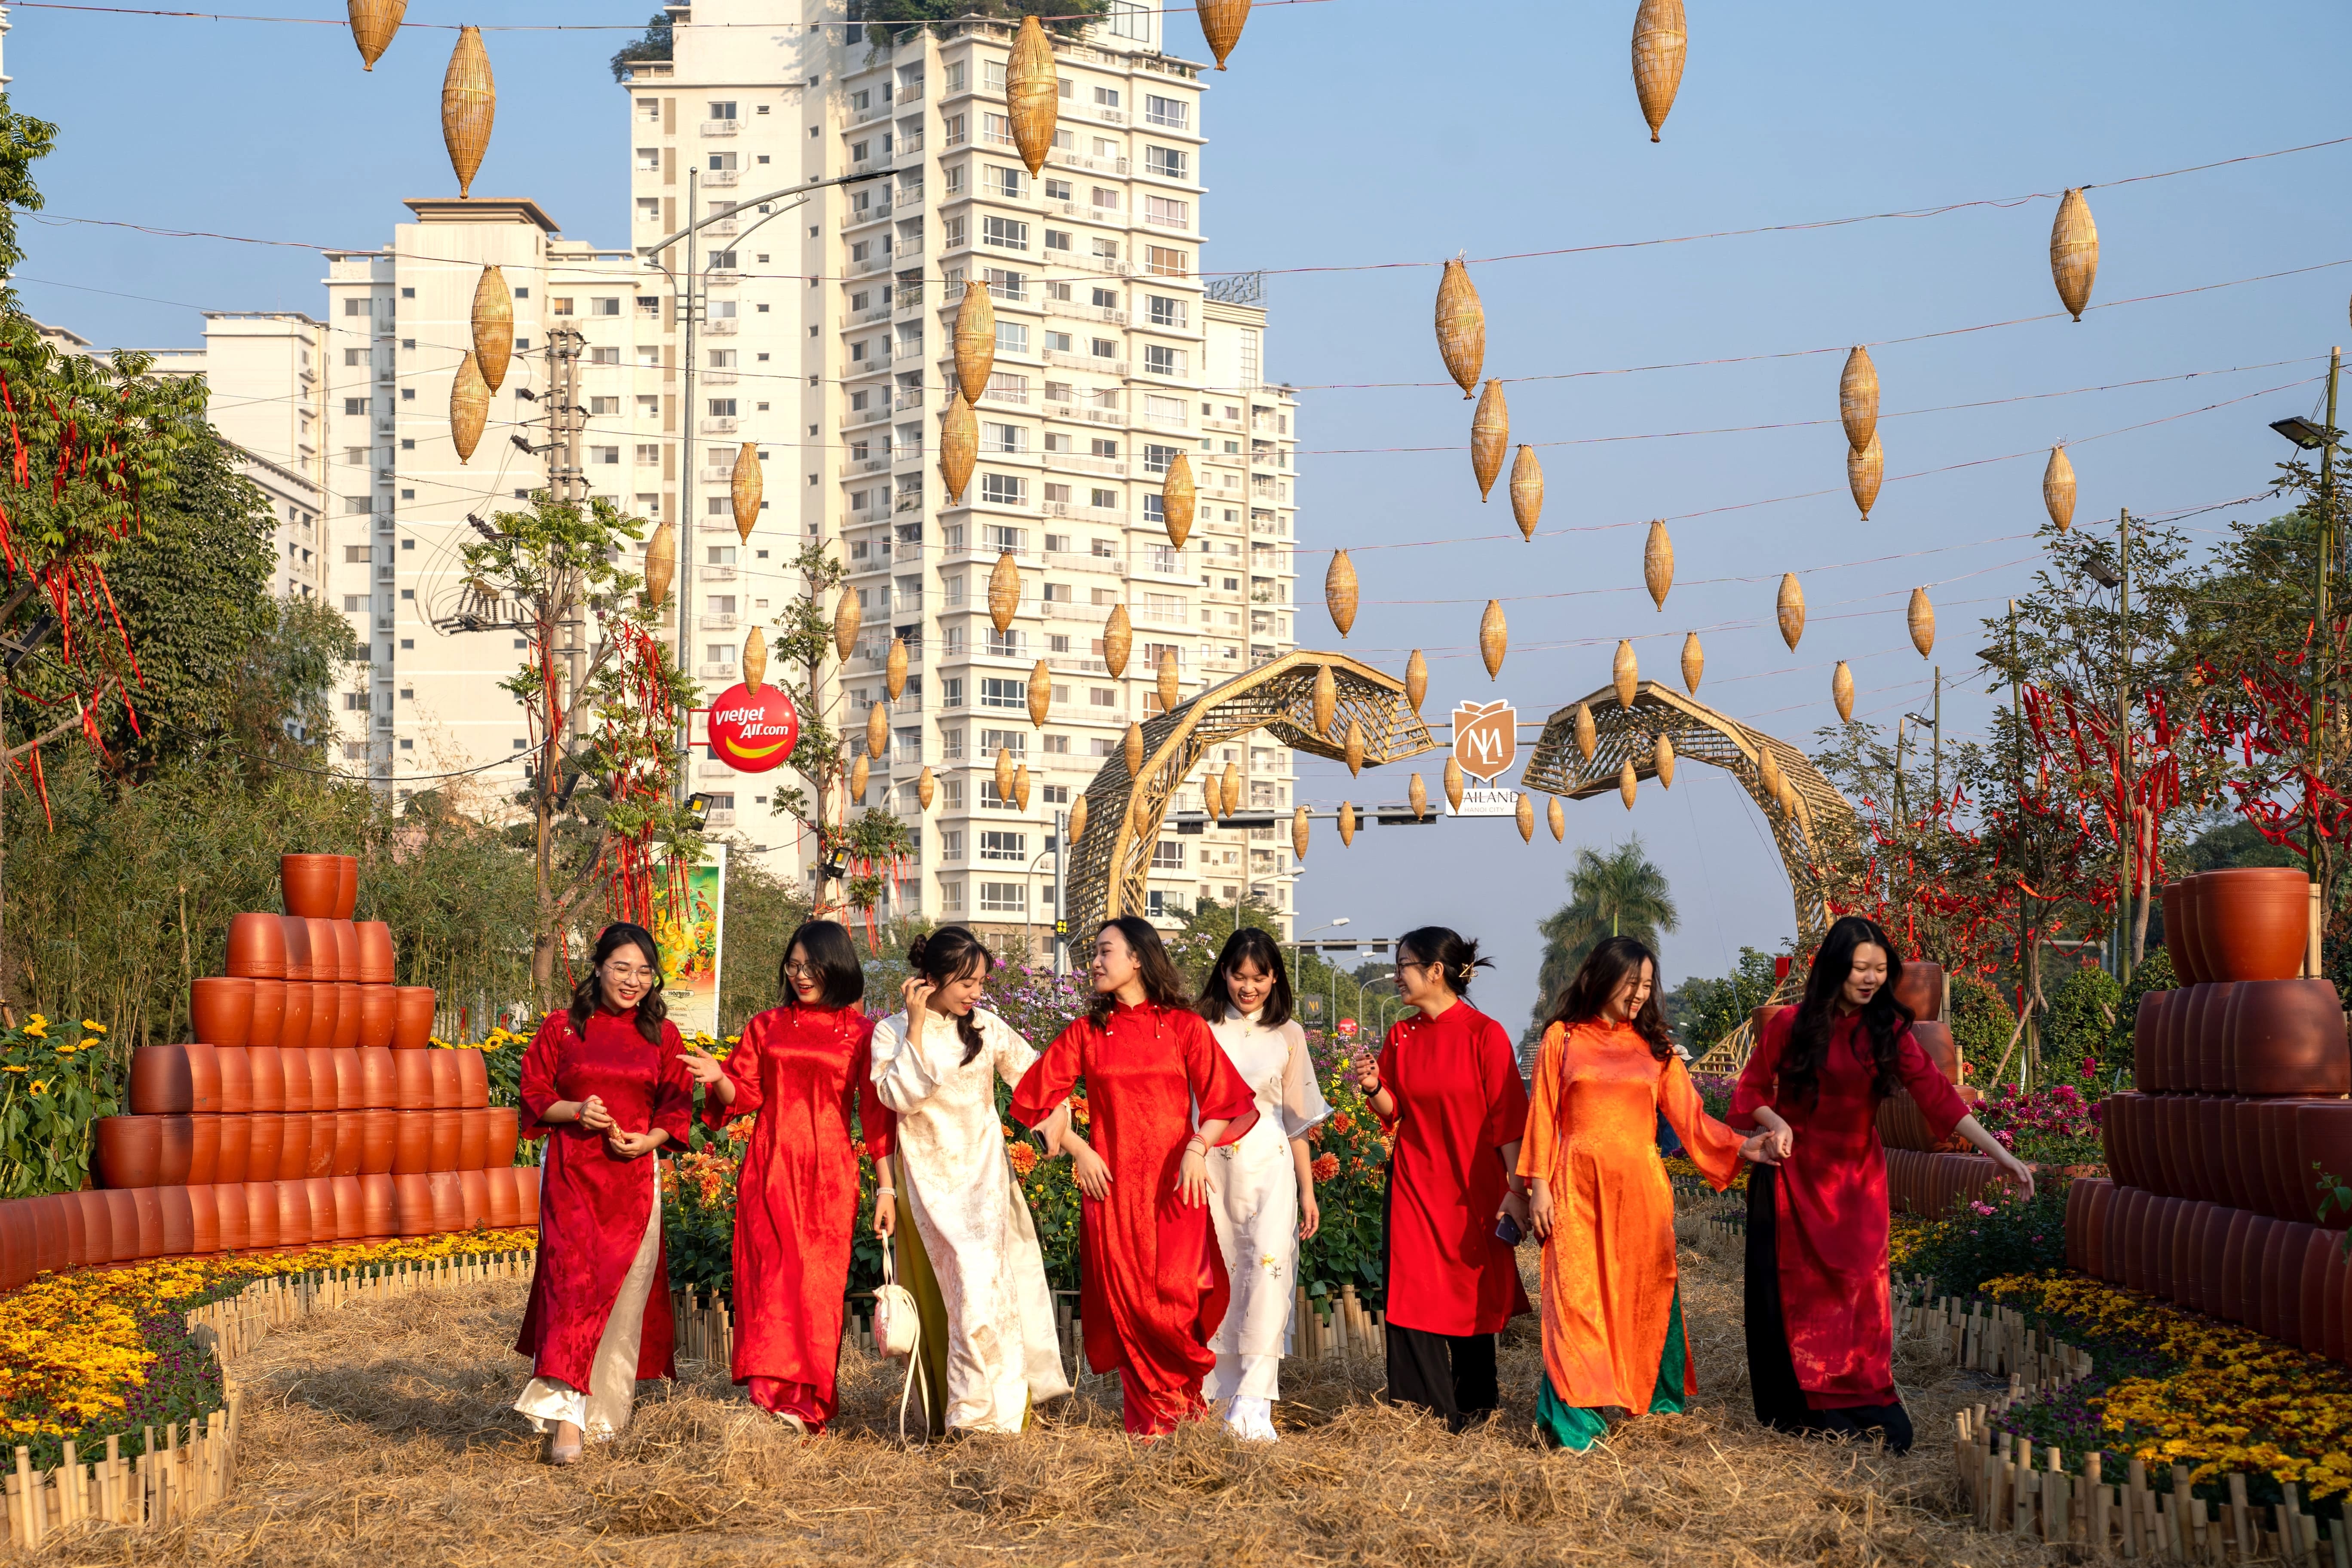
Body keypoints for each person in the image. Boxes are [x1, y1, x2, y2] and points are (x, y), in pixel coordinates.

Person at [1732, 915, 2035, 1452]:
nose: (1870, 979)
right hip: (1792, 1178)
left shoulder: (1888, 1029)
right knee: (1799, 1293)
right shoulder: (1789, 1025)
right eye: (1859, 968)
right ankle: (1806, 1403)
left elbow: (1938, 1097)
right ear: (1833, 968)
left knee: (1859, 1292)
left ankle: (1862, 1395)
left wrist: (2001, 1155)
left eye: (1879, 969)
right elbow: (1749, 1092)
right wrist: (1774, 1121)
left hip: (1856, 1182)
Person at [1010, 916, 1260, 1436]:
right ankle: (1151, 1427)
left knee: (1175, 1299)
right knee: (1132, 1306)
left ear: (1138, 958)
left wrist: (1197, 1145)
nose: (1094, 962)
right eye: (1094, 953)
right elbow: (1033, 1097)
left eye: (1105, 951)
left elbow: (1225, 1102)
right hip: (1112, 1192)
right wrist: (1078, 1148)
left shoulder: (1184, 1027)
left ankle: (1185, 1417)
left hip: (1175, 1186)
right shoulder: (1085, 1032)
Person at [1519, 936, 1772, 1451]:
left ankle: (1649, 1397)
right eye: (1630, 982)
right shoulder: (1562, 1038)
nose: (1638, 994)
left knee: (1642, 1291)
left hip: (1640, 1193)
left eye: (1647, 985)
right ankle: (1576, 1418)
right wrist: (1538, 1189)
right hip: (1575, 1188)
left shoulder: (1655, 1048)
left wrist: (1746, 1146)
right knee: (1576, 1296)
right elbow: (1542, 1115)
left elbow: (1692, 1119)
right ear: (1600, 977)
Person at [681, 920, 893, 1435]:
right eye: (793, 965)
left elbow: (878, 1117)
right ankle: (769, 1400)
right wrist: (720, 1079)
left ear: (836, 966)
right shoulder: (766, 1025)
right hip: (770, 1165)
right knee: (770, 1282)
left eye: (812, 966)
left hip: (829, 1174)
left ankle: (809, 1403)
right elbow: (745, 1095)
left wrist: (885, 1186)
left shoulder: (861, 1033)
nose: (800, 975)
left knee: (816, 1287)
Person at [868, 926, 1072, 1436]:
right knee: (957, 1294)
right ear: (931, 978)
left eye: (980, 982)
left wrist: (1058, 1122)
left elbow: (1036, 1077)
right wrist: (915, 1027)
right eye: (966, 982)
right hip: (928, 1183)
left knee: (986, 1290)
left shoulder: (987, 1026)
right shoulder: (890, 1032)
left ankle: (987, 1417)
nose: (976, 993)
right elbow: (899, 1098)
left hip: (983, 1180)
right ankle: (964, 1411)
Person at [512, 922, 693, 1463]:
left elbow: (676, 1104)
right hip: (571, 1174)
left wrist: (652, 1140)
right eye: (622, 967)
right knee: (570, 1291)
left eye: (643, 970)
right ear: (597, 967)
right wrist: (576, 1110)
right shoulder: (562, 1028)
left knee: (622, 1298)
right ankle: (567, 1419)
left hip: (634, 1181)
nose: (633, 980)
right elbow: (535, 1094)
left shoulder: (663, 1035)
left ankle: (604, 1417)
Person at [1352, 926, 1531, 1433]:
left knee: (1468, 1294)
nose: (1396, 974)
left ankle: (1474, 1409)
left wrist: (1515, 1190)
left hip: (1474, 1189)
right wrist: (1371, 1086)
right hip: (1413, 1184)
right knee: (1411, 1294)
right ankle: (1421, 1416)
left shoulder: (1484, 1033)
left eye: (1404, 963)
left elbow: (1508, 1121)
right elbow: (1394, 1110)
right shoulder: (1401, 1034)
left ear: (1435, 971)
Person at [1195, 927, 1331, 1442]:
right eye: (1238, 975)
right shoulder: (1200, 1027)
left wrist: (1308, 1190)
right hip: (1209, 1169)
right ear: (1223, 974)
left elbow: (1296, 1121)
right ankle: (1216, 1394)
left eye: (1259, 977)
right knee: (1216, 1275)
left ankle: (1254, 1403)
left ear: (1275, 977)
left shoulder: (1289, 1034)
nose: (1247, 987)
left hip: (1270, 1167)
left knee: (1267, 1275)